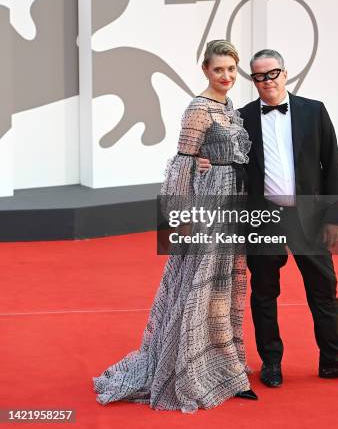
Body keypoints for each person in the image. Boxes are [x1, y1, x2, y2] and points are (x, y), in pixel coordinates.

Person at [93, 40, 257, 413]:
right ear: (205, 70)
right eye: (219, 70)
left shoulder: (228, 106)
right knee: (197, 284)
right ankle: (185, 367)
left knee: (223, 286)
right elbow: (182, 165)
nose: (227, 76)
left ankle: (223, 364)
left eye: (231, 69)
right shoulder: (198, 109)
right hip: (209, 206)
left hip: (232, 204)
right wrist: (178, 221)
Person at [199, 48, 338, 387]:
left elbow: (332, 165)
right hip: (262, 217)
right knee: (265, 292)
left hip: (308, 217)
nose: (267, 81)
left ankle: (333, 361)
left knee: (323, 289)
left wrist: (334, 216)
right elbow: (228, 159)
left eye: (273, 74)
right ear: (252, 80)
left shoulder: (315, 111)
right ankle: (271, 363)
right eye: (259, 76)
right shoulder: (242, 117)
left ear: (285, 73)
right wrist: (206, 161)